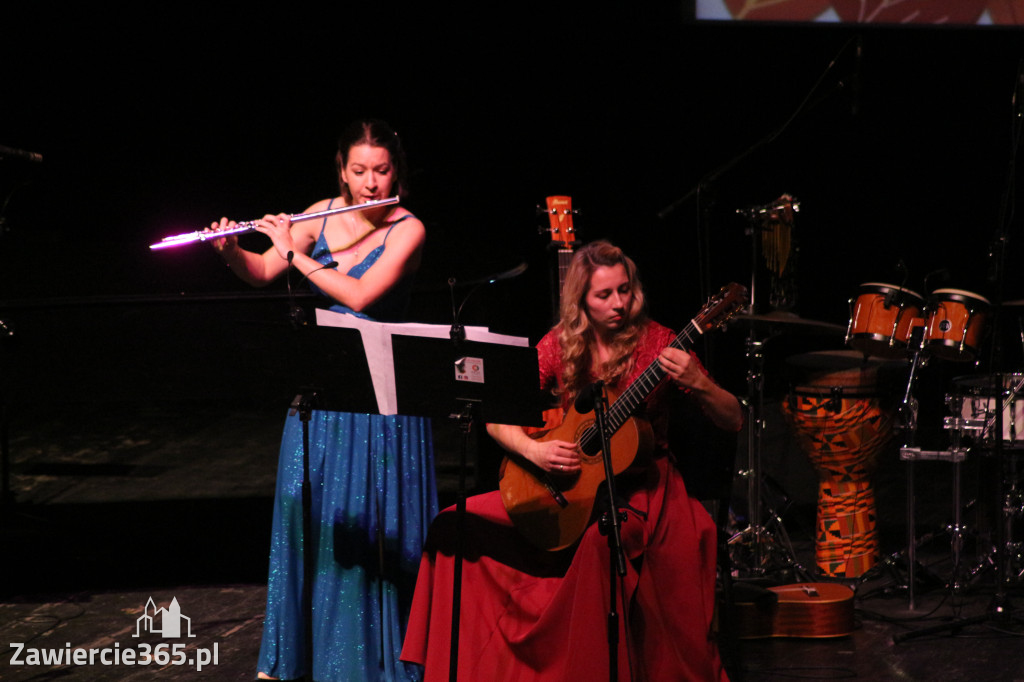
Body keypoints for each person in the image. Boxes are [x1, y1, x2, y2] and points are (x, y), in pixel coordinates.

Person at [400, 240, 743, 681]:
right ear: (581, 299)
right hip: (565, 485)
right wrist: (535, 450)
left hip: (642, 489)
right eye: (604, 295)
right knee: (454, 521)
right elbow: (496, 415)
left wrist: (700, 383)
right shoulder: (560, 343)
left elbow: (732, 418)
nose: (619, 303)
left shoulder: (660, 342)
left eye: (625, 290)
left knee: (602, 545)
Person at [209, 119, 438, 681]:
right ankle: (302, 658)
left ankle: (368, 660)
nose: (369, 183)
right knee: (308, 515)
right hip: (322, 391)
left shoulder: (409, 230)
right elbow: (263, 270)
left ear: (397, 173)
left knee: (366, 528)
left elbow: (360, 294)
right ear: (342, 170)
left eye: (381, 170)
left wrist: (294, 253)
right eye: (358, 171)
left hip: (380, 401)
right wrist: (232, 251)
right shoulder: (324, 211)